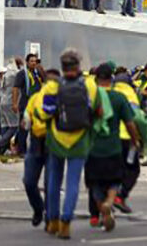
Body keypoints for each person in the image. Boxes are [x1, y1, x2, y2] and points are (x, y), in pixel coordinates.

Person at [37, 49, 101, 239]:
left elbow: (44, 113)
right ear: (78, 66)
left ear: (62, 67)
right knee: (73, 182)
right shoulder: (90, 85)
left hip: (56, 139)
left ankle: (53, 220)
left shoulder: (52, 87)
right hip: (80, 140)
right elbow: (98, 112)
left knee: (54, 181)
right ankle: (66, 223)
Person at [86, 64, 141, 232]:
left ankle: (101, 208)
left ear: (96, 79)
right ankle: (109, 203)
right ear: (111, 80)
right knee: (114, 181)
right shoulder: (119, 98)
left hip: (93, 149)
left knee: (95, 184)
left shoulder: (90, 98)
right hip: (113, 148)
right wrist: (135, 140)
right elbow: (130, 123)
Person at [21, 75, 49, 228]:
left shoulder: (61, 99)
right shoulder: (35, 99)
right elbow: (25, 121)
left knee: (50, 183)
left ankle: (51, 216)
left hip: (54, 144)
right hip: (36, 143)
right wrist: (26, 121)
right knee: (29, 181)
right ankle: (38, 209)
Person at [13, 53, 42, 156]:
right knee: (23, 129)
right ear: (27, 62)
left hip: (36, 106)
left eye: (35, 61)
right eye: (32, 61)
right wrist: (14, 103)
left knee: (34, 129)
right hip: (25, 105)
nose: (34, 63)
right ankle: (22, 151)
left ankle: (19, 146)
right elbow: (16, 88)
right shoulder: (22, 74)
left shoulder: (37, 74)